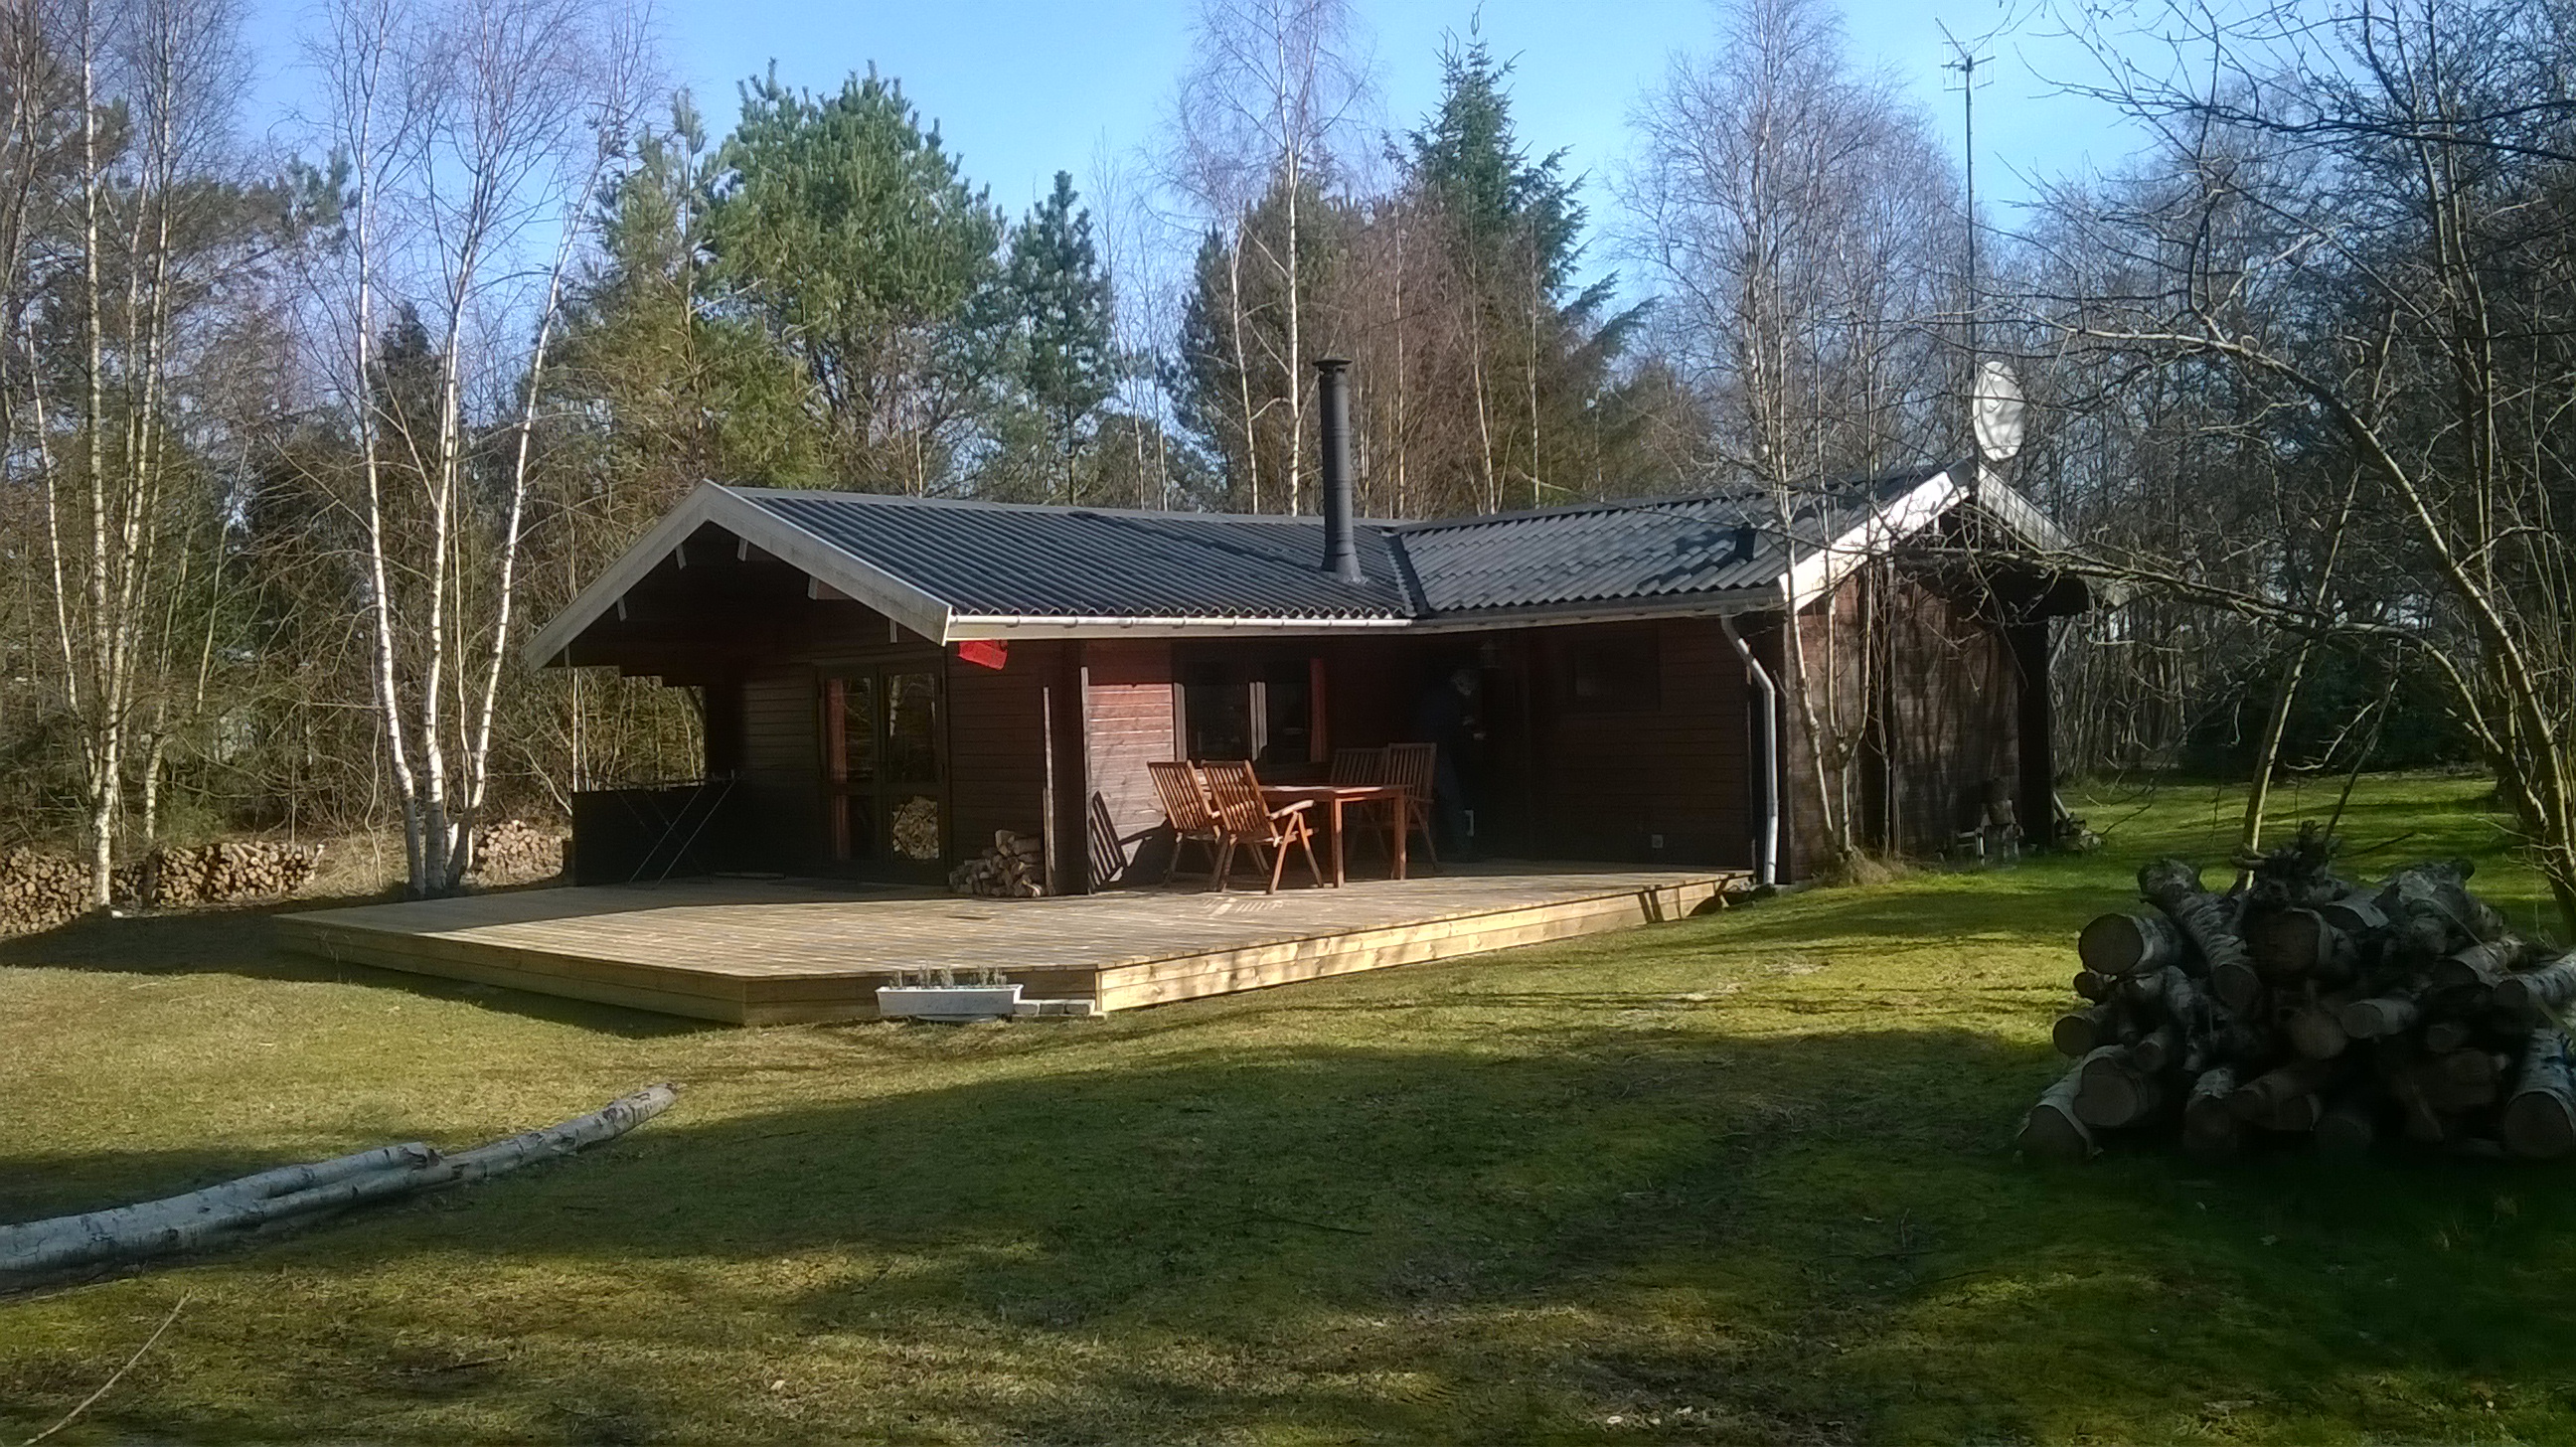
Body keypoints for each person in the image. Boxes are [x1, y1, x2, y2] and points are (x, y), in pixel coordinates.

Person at [1409, 665, 1483, 860]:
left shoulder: (1433, 695)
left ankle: (1427, 848)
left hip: (1418, 754)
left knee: (1426, 801)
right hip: (1437, 753)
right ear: (1465, 686)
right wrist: (1470, 733)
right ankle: (1464, 848)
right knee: (1452, 799)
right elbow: (1453, 730)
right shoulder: (1453, 700)